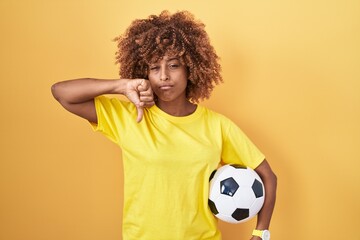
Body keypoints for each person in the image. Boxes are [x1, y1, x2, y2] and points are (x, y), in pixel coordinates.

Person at [51, 10, 277, 240]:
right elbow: (62, 93)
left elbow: (267, 175)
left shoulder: (217, 126)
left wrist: (261, 233)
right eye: (154, 68)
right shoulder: (129, 117)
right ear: (143, 73)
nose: (164, 76)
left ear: (191, 68)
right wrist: (122, 86)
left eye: (174, 65)